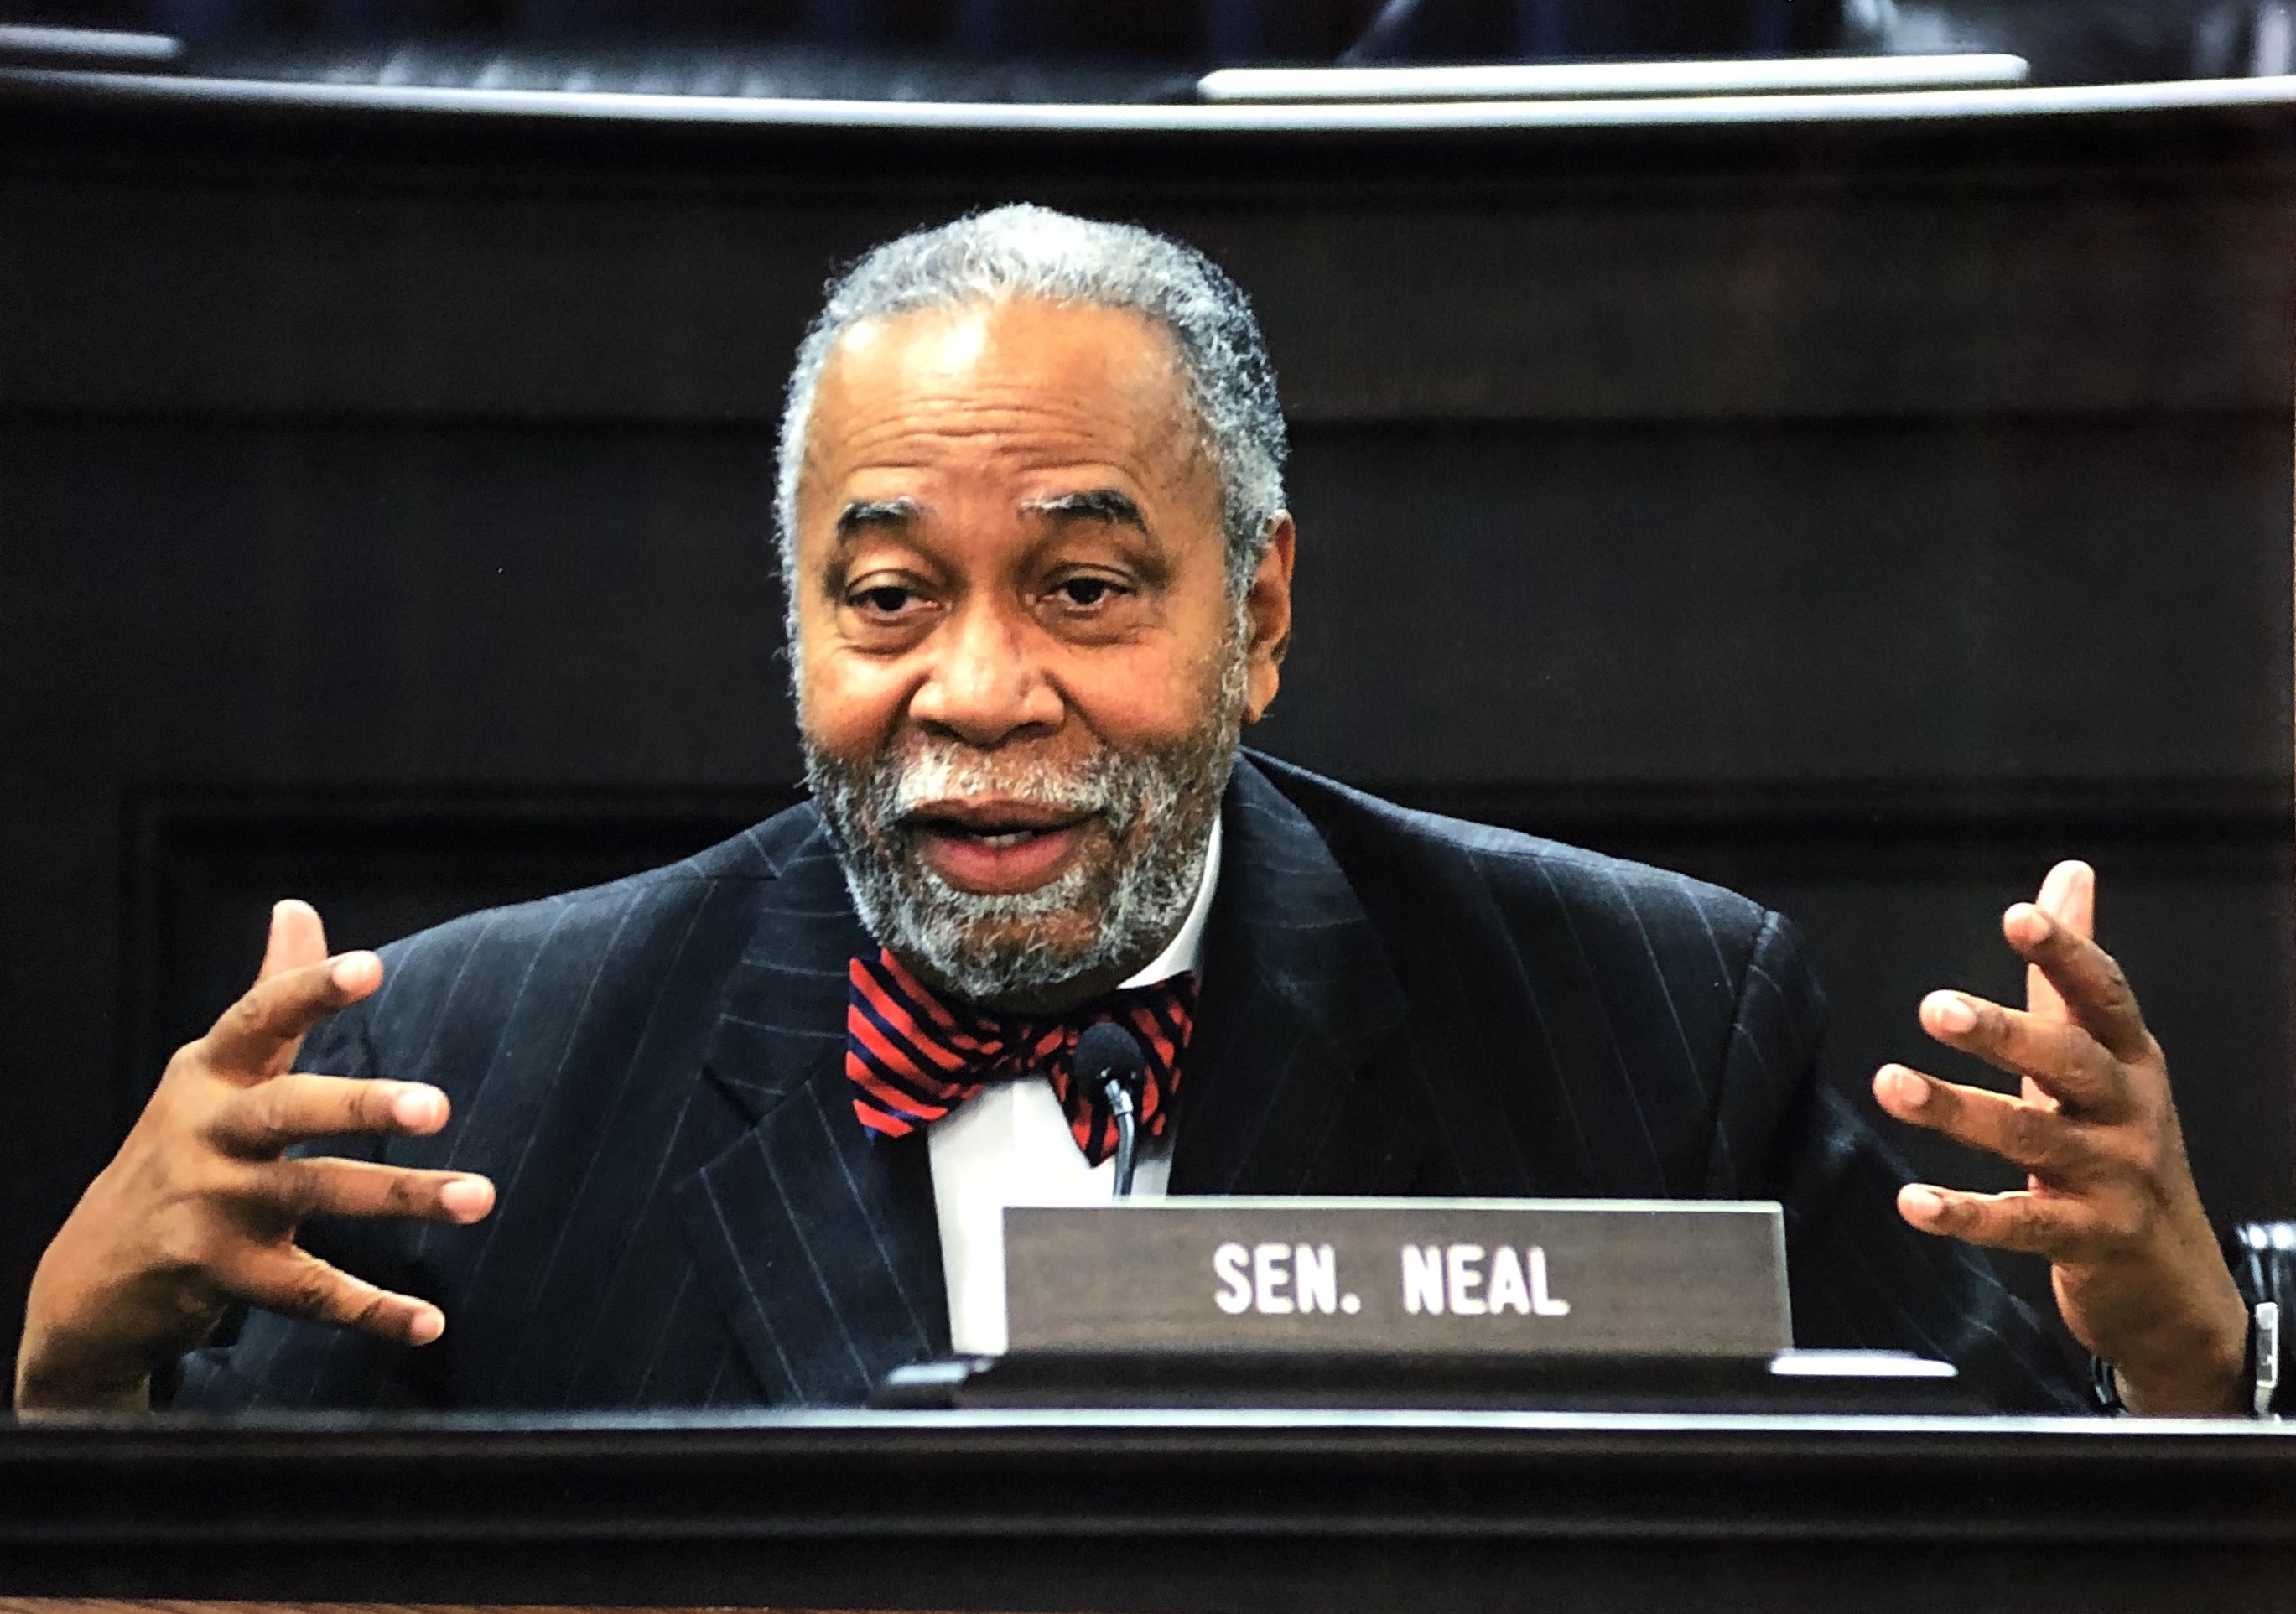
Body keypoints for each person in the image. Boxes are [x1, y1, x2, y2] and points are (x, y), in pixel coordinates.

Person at [13, 207, 2256, 1416]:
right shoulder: (472, 1079)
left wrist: (2177, 1355)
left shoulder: (1652, 1025)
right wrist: (65, 1378)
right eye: (886, 597)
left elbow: (1982, 1533)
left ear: (1259, 608)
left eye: (1086, 589)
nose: (978, 691)